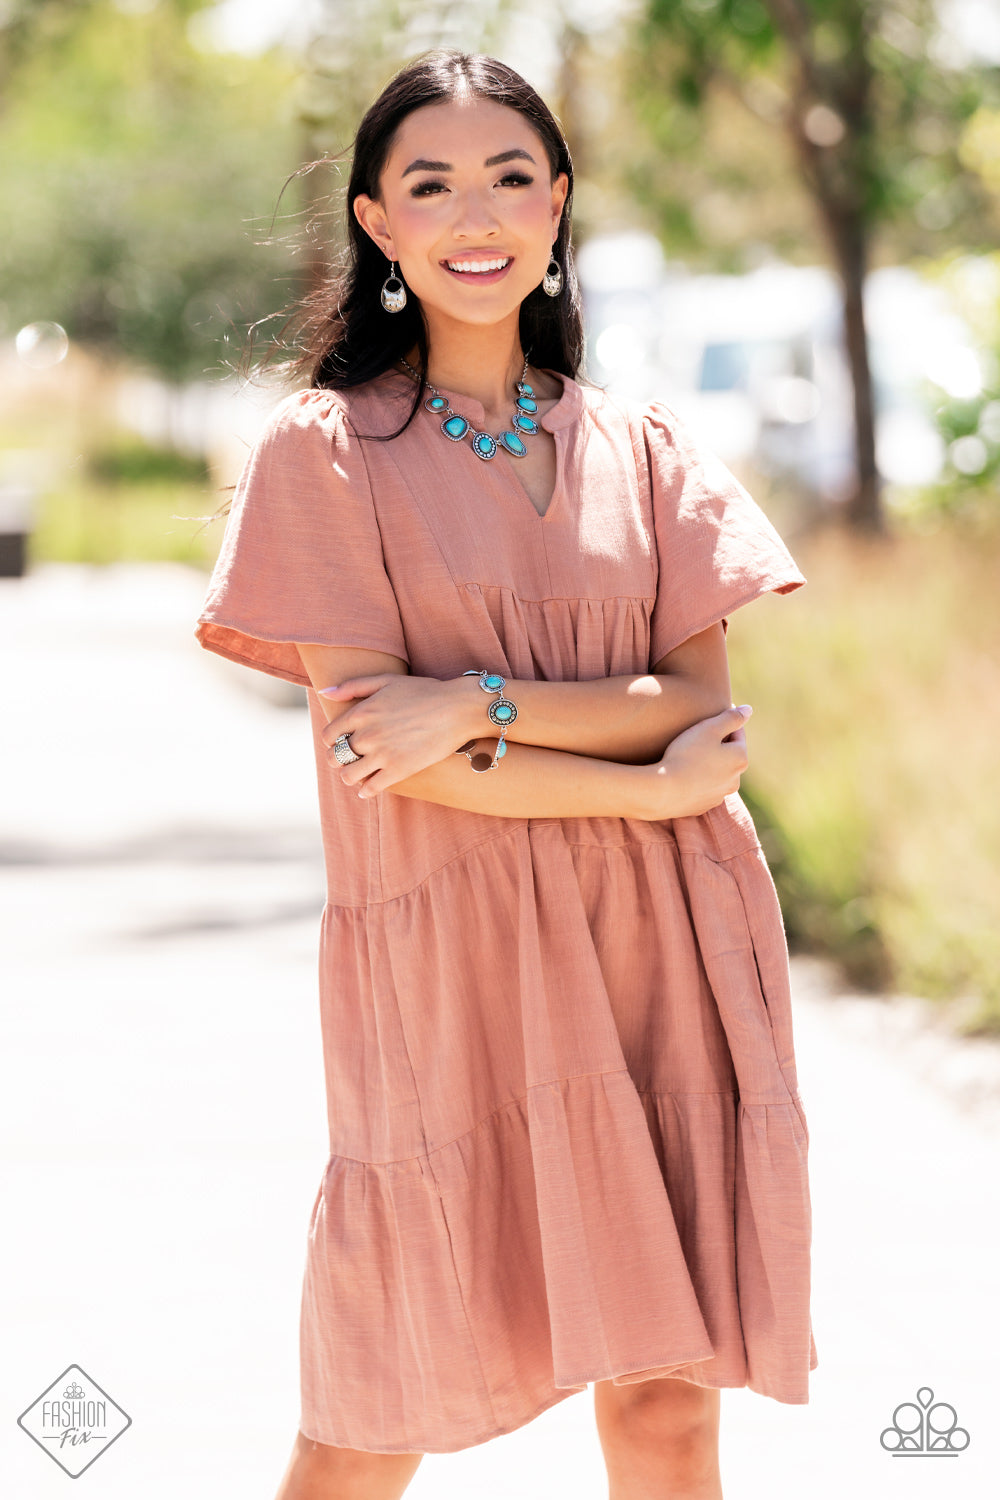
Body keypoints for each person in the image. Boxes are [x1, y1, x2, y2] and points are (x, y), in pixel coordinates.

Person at [194, 48, 817, 1500]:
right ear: (378, 224)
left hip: (658, 955)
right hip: (451, 966)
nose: (476, 214)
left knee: (668, 1407)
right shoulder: (326, 455)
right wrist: (641, 779)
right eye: (431, 185)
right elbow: (385, 759)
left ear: (558, 203)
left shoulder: (647, 451)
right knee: (380, 1400)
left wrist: (473, 701)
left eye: (508, 177)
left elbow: (697, 708)